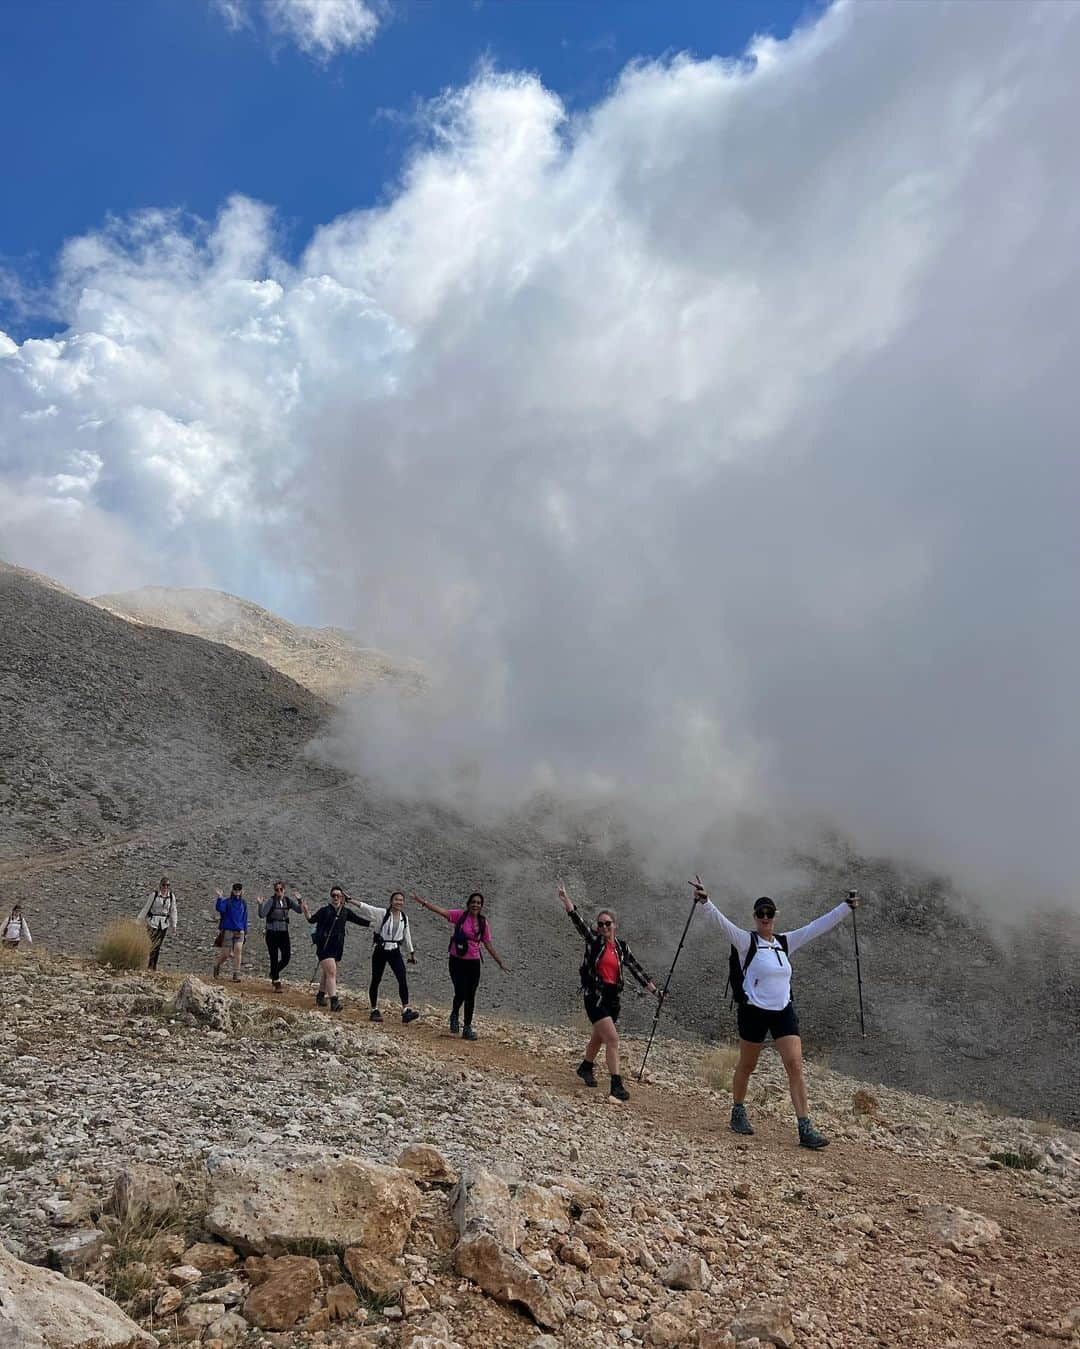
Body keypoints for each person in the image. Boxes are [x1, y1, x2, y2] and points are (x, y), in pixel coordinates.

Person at [691, 876, 862, 1150]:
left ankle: (805, 1127)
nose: (765, 918)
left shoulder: (785, 942)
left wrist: (845, 907)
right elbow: (723, 924)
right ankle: (738, 1110)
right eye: (761, 914)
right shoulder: (746, 942)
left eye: (769, 913)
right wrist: (705, 901)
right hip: (754, 1011)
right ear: (755, 917)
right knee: (747, 1065)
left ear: (775, 916)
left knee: (795, 1066)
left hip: (783, 1010)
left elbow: (816, 927)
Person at [557, 884, 661, 1101]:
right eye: (600, 924)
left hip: (613, 998)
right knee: (612, 1039)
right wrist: (567, 900)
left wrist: (655, 991)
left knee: (599, 1037)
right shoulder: (594, 942)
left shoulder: (622, 948)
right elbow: (578, 922)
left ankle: (585, 1067)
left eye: (607, 924)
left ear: (615, 925)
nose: (603, 927)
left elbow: (635, 969)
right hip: (595, 996)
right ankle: (616, 1084)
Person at [411, 890, 510, 1040]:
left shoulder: (483, 923)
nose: (475, 905)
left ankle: (467, 1027)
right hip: (456, 960)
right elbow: (442, 911)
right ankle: (455, 1014)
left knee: (471, 995)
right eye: (473, 902)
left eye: (478, 903)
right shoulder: (460, 916)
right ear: (468, 903)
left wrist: (500, 962)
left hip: (474, 962)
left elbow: (487, 944)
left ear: (481, 906)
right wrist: (423, 903)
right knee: (460, 991)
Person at [348, 891, 420, 1024]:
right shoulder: (382, 913)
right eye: (396, 899)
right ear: (391, 901)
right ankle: (374, 1010)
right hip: (381, 949)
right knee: (376, 978)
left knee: (402, 977)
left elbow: (406, 935)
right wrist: (350, 900)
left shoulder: (404, 917)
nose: (399, 902)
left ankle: (406, 1010)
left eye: (401, 900)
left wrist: (411, 953)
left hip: (395, 950)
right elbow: (366, 908)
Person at [309, 886, 370, 1012]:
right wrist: (304, 909)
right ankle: (334, 1001)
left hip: (337, 947)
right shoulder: (324, 911)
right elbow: (311, 920)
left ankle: (320, 996)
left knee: (327, 973)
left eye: (338, 895)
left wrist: (377, 924)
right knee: (332, 972)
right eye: (333, 895)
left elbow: (360, 921)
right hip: (324, 947)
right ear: (331, 897)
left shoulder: (345, 912)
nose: (336, 897)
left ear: (342, 898)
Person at [257, 881, 309, 989]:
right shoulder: (271, 901)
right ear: (274, 891)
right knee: (274, 957)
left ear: (284, 890)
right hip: (272, 932)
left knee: (286, 957)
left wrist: (299, 900)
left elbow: (299, 910)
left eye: (281, 889)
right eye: (277, 890)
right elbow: (262, 915)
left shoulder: (288, 901)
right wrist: (260, 904)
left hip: (284, 932)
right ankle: (276, 981)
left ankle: (273, 972)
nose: (279, 891)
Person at [137, 877, 178, 970]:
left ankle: (153, 967)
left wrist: (174, 925)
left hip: (164, 924)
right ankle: (150, 965)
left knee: (158, 946)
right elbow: (146, 908)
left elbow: (173, 910)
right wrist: (139, 920)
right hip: (153, 922)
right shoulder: (154, 895)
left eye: (167, 885)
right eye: (163, 885)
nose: (165, 887)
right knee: (152, 944)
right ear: (160, 885)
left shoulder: (171, 897)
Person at [213, 883, 248, 982]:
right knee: (226, 954)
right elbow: (219, 908)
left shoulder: (243, 903)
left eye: (239, 890)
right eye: (236, 890)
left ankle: (236, 974)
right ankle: (217, 965)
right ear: (232, 891)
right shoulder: (228, 902)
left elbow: (245, 917)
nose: (237, 892)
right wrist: (219, 897)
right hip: (228, 930)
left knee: (238, 950)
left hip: (239, 930)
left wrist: (245, 931)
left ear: (242, 891)